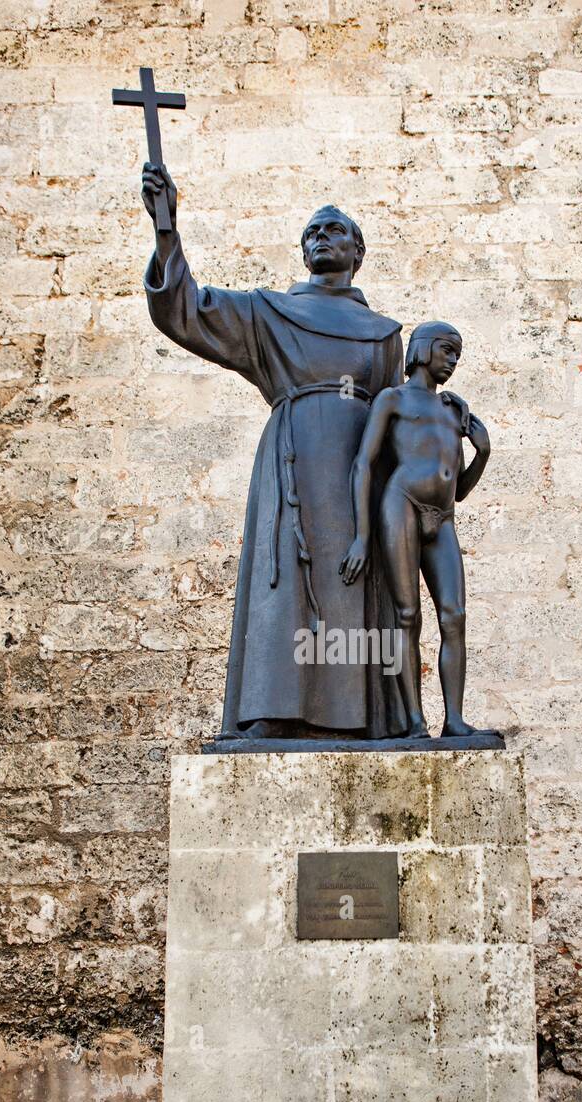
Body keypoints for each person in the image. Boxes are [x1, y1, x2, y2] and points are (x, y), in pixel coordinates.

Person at [141, 162, 406, 738]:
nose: (320, 238)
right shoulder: (268, 313)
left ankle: (359, 720)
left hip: (356, 473)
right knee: (280, 581)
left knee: (352, 582)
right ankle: (273, 711)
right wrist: (167, 232)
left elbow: (397, 420)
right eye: (312, 232)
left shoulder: (385, 333)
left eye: (333, 230)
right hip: (291, 460)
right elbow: (186, 309)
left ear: (357, 251)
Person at [339, 321, 492, 738]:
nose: (454, 360)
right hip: (401, 504)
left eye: (458, 353)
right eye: (448, 350)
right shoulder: (393, 399)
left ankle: (454, 720)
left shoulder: (450, 411)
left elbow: (457, 488)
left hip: (442, 516)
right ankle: (414, 721)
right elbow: (363, 464)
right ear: (423, 349)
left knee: (454, 616)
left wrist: (483, 452)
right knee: (407, 615)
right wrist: (362, 535)